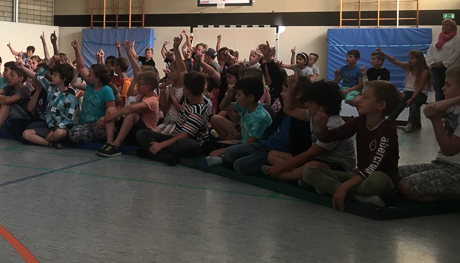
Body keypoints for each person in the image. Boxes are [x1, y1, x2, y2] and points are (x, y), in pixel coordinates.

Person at [303, 80, 402, 210]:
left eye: (365, 97)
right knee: (309, 172)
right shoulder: (359, 121)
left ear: (381, 105)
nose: (359, 99)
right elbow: (330, 137)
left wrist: (345, 185)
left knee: (378, 179)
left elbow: (374, 166)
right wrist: (321, 127)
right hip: (360, 174)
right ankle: (357, 197)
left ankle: (332, 188)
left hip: (379, 179)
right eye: (361, 95)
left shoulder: (387, 130)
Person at [206, 76, 311, 174]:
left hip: (275, 151)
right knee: (229, 152)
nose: (281, 93)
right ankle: (227, 158)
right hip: (264, 145)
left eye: (285, 90)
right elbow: (224, 106)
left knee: (240, 165)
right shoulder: (283, 111)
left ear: (298, 95)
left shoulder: (301, 118)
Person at [135, 37, 212, 165]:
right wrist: (176, 49)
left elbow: (185, 135)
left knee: (183, 144)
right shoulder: (190, 98)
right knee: (142, 134)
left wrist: (161, 145)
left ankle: (157, 153)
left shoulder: (199, 108)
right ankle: (163, 155)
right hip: (174, 137)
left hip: (190, 142)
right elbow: (182, 70)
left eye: (184, 87)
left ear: (188, 90)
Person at [396, 65, 460, 202]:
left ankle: (456, 200)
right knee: (393, 174)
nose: (443, 88)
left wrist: (435, 120)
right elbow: (432, 108)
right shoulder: (455, 106)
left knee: (406, 186)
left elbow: (448, 150)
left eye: (447, 85)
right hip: (443, 164)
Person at [263, 81, 355, 182]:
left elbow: (309, 155)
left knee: (311, 166)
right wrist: (292, 89)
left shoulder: (334, 125)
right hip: (319, 159)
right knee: (272, 155)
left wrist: (279, 168)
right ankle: (299, 175)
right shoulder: (313, 115)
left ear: (323, 106)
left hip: (339, 166)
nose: (305, 104)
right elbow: (288, 110)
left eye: (309, 102)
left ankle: (286, 176)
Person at [67, 39, 116, 145]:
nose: (88, 75)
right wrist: (76, 49)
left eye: (90, 74)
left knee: (100, 132)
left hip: (99, 123)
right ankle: (91, 136)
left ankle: (105, 139)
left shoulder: (107, 90)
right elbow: (81, 67)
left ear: (97, 79)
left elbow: (112, 110)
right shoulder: (90, 85)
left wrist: (104, 119)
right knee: (73, 133)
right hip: (85, 124)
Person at [20, 61, 78, 148]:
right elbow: (38, 75)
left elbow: (69, 120)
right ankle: (50, 143)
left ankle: (46, 140)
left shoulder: (70, 98)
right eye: (52, 74)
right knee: (26, 133)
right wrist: (49, 62)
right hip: (49, 125)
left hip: (62, 127)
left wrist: (55, 129)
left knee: (59, 133)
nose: (52, 76)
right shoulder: (52, 89)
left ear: (63, 78)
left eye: (55, 75)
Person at [378, 48, 431, 133]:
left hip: (421, 93)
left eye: (412, 58)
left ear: (419, 59)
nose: (409, 60)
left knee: (414, 104)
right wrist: (384, 54)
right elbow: (395, 61)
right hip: (408, 91)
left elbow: (419, 88)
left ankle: (410, 124)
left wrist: (411, 99)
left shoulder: (425, 71)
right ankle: (388, 121)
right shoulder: (408, 67)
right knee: (400, 103)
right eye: (409, 58)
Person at [426, 18, 460, 101]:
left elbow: (457, 53)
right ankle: (439, 106)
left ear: (453, 27)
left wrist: (444, 63)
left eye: (447, 25)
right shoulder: (436, 39)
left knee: (451, 88)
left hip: (450, 68)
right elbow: (430, 51)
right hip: (435, 68)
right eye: (443, 25)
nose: (444, 27)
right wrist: (432, 62)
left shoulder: (457, 39)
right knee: (438, 89)